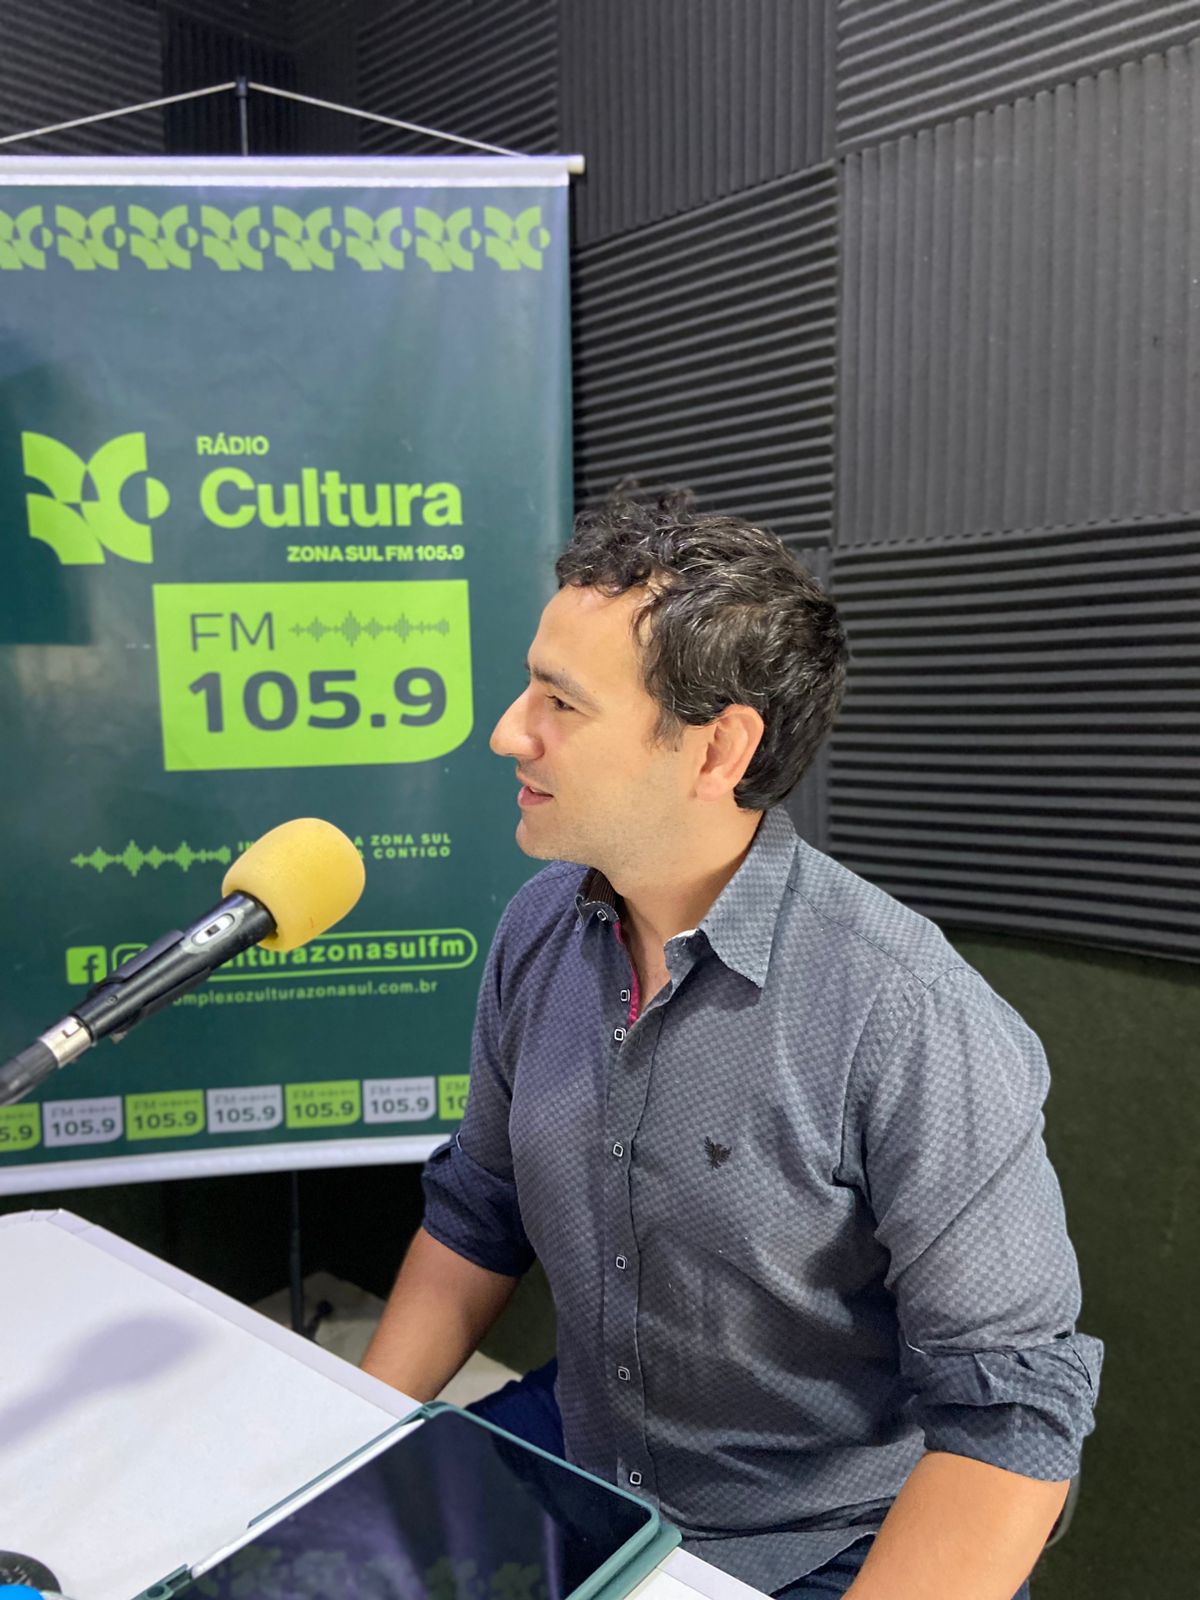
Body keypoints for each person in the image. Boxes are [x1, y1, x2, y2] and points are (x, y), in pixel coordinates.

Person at [362, 491, 1103, 1600]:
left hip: (825, 1541)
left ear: (718, 749)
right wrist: (347, 1438)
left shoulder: (906, 1012)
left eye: (560, 702)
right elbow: (480, 1209)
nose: (509, 731)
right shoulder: (535, 933)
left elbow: (1012, 1411)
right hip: (593, 1466)